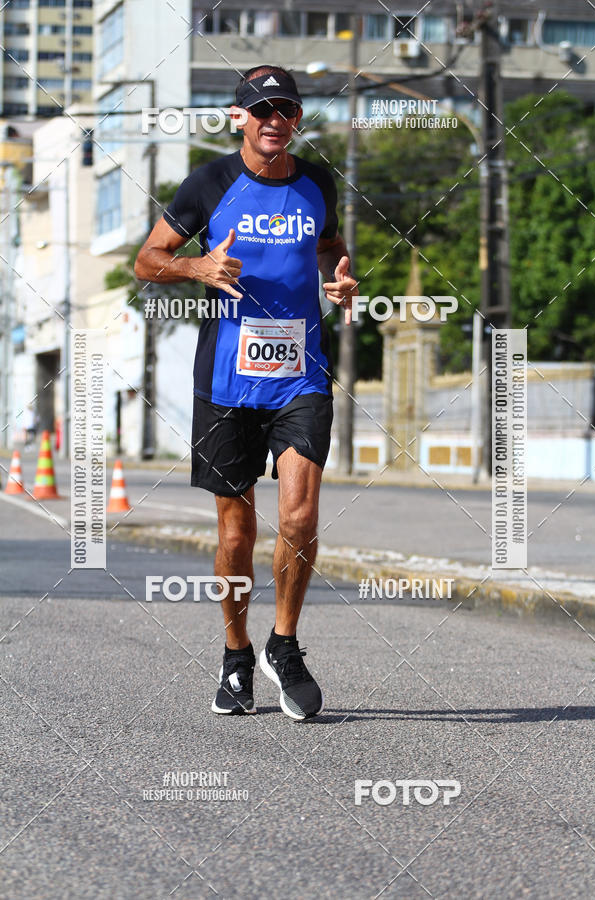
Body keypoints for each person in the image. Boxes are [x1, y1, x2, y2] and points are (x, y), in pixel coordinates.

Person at [134, 65, 358, 720]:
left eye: (284, 109)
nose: (273, 120)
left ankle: (283, 646)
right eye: (261, 110)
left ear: (295, 118)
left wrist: (340, 278)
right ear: (239, 118)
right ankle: (236, 654)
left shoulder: (317, 182)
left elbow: (331, 248)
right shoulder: (209, 184)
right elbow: (147, 259)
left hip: (300, 376)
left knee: (300, 515)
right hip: (228, 381)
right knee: (236, 531)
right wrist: (195, 265)